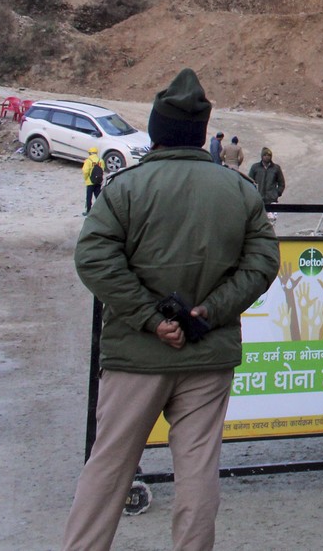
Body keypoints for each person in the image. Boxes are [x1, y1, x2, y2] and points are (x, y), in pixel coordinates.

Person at [61, 69, 278, 551]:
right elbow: (263, 262)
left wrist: (150, 318)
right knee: (198, 472)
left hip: (137, 358)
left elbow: (93, 257)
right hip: (208, 353)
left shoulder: (124, 188)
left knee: (108, 468)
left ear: (157, 131)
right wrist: (210, 312)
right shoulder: (239, 190)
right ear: (202, 134)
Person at [248, 147, 285, 219]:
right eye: (265, 155)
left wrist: (277, 193)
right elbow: (249, 182)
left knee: (272, 221)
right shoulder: (255, 167)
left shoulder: (276, 168)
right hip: (258, 200)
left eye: (269, 155)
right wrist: (253, 194)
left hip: (272, 201)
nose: (267, 157)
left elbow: (281, 183)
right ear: (262, 156)